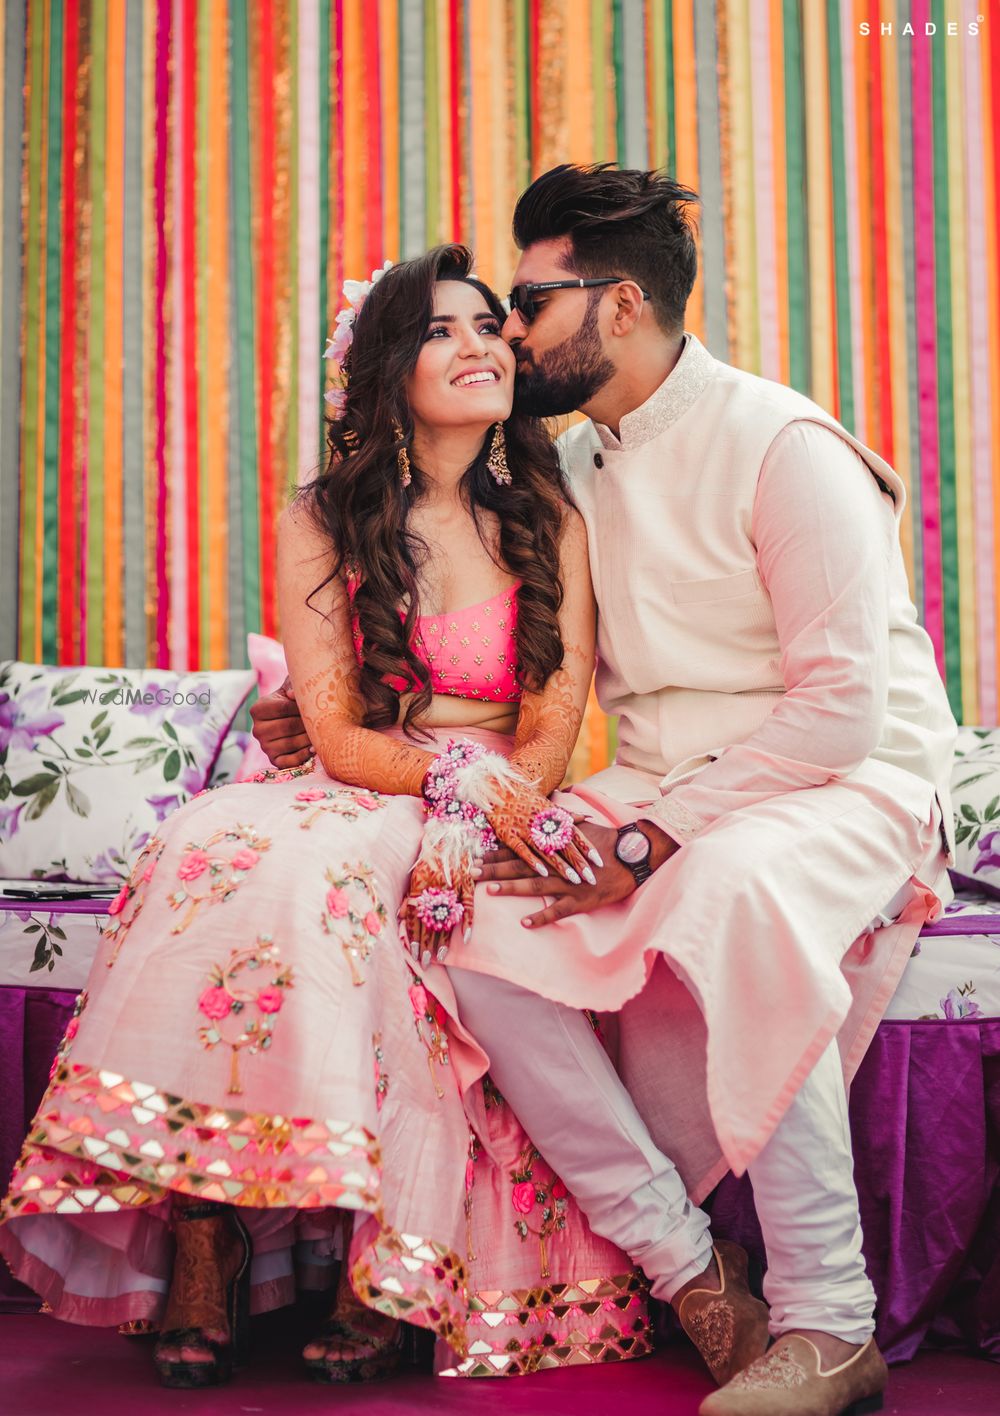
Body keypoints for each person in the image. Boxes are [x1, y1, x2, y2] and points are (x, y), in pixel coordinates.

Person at [253, 166, 957, 1416]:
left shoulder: (783, 446)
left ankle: (829, 1326)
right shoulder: (571, 468)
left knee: (736, 892)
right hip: (657, 784)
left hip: (845, 781)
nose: (507, 332)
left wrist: (648, 840)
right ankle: (689, 1271)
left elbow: (842, 712)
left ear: (618, 304)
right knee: (460, 908)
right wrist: (323, 715)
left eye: (526, 301)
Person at [0, 245, 656, 1388]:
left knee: (337, 881)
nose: (479, 346)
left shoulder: (551, 517)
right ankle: (203, 1223)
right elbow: (340, 734)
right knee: (220, 845)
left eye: (489, 326)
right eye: (443, 330)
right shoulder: (323, 517)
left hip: (493, 790)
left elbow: (552, 724)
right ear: (388, 370)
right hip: (371, 780)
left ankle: (384, 1252)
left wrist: (492, 792)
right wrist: (433, 781)